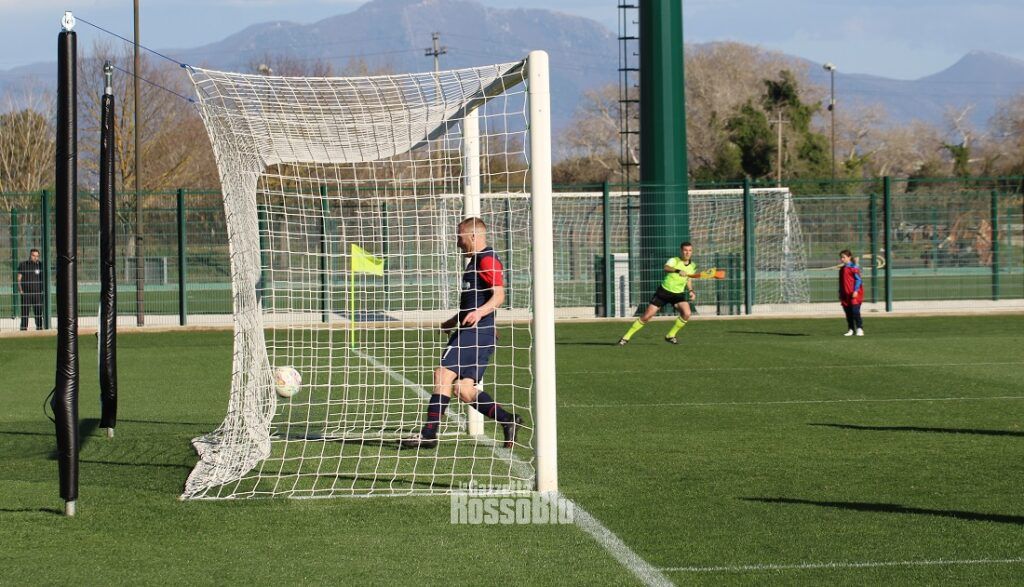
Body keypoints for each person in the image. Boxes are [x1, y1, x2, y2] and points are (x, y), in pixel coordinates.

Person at [402, 217, 521, 449]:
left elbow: (499, 295)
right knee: (463, 389)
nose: (457, 242)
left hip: (475, 332)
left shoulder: (486, 259)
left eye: (460, 237)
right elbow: (474, 301)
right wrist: (454, 320)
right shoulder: (475, 261)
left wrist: (479, 314)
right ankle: (508, 420)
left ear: (473, 236)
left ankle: (429, 434)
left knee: (442, 375)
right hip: (478, 332)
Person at [618, 241, 706, 346]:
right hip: (664, 292)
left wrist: (691, 291)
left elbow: (688, 279)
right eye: (685, 250)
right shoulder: (674, 260)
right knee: (647, 316)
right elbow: (666, 268)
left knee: (687, 313)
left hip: (678, 294)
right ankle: (625, 338)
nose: (687, 253)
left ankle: (670, 335)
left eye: (690, 250)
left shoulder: (693, 265)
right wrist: (678, 271)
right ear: (681, 251)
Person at [17, 248, 44, 331]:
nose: (35, 257)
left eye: (37, 256)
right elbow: (19, 279)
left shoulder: (41, 265)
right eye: (33, 255)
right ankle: (23, 329)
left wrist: (42, 290)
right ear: (30, 255)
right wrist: (21, 290)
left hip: (37, 294)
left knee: (38, 313)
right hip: (26, 294)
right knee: (25, 313)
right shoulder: (23, 265)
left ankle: (39, 329)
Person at [838, 249, 864, 336]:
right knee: (848, 313)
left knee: (855, 311)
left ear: (849, 257)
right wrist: (840, 292)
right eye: (841, 257)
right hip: (845, 294)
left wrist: (855, 290)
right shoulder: (842, 269)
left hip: (854, 293)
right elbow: (841, 282)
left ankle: (859, 328)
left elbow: (858, 280)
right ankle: (851, 329)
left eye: (844, 257)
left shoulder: (853, 268)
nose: (842, 259)